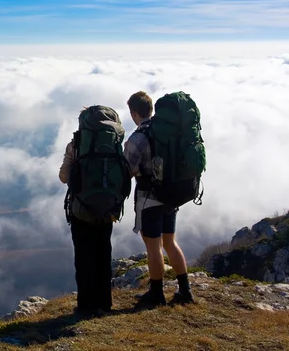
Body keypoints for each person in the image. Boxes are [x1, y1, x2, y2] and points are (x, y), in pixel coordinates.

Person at [123, 91, 195, 307]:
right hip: (172, 195)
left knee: (153, 247)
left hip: (149, 199)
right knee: (170, 242)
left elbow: (128, 170)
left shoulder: (138, 138)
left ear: (134, 113)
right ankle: (185, 290)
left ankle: (156, 294)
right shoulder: (168, 134)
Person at [59, 105, 130, 317]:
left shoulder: (76, 145)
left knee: (83, 257)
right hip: (108, 209)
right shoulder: (116, 145)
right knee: (103, 253)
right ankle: (104, 302)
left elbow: (64, 177)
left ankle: (85, 305)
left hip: (81, 209)